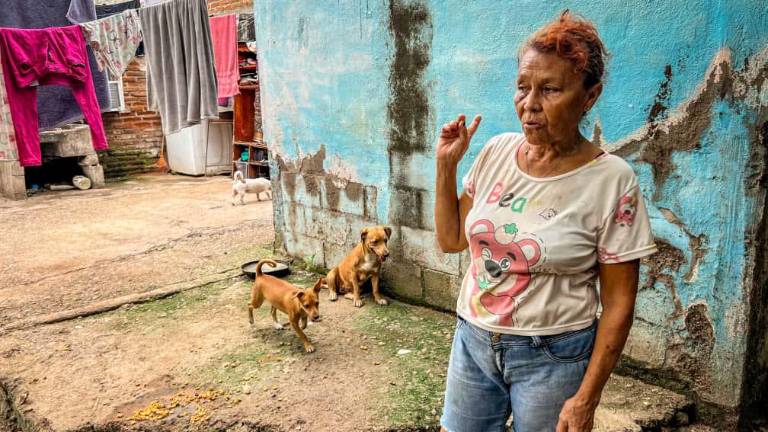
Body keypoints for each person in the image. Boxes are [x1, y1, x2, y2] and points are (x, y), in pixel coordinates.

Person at [434, 11, 657, 432]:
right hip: (474, 339)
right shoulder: (497, 152)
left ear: (590, 96)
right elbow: (450, 240)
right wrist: (446, 166)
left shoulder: (612, 181)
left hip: (554, 354)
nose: (530, 104)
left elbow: (619, 304)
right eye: (523, 87)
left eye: (550, 89)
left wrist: (586, 399)